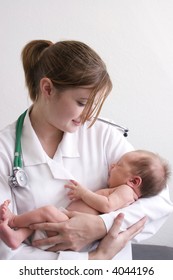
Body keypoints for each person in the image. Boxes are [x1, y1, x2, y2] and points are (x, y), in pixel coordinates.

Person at [0, 39, 172, 260]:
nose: (89, 114)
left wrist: (100, 225)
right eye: (82, 103)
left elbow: (158, 201)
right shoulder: (5, 150)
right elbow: (6, 254)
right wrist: (93, 261)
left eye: (94, 104)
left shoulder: (102, 133)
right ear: (47, 88)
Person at [0, 149, 170, 250]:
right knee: (42, 217)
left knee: (46, 211)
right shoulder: (123, 188)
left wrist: (84, 193)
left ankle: (14, 220)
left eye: (118, 165)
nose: (112, 166)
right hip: (66, 221)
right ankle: (18, 236)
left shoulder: (126, 191)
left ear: (133, 181)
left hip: (68, 226)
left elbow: (108, 205)